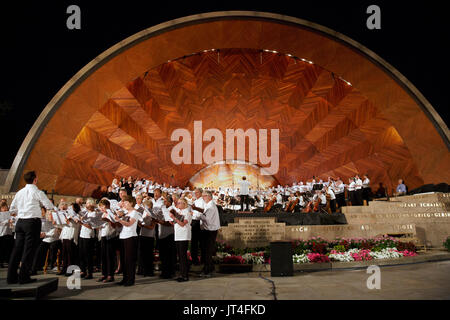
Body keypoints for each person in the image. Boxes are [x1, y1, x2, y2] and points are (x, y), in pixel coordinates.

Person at [7, 171, 57, 284]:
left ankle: (11, 277)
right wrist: (54, 209)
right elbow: (48, 205)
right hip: (32, 222)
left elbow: (12, 208)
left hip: (20, 222)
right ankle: (23, 277)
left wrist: (19, 212)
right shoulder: (37, 191)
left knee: (17, 249)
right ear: (35, 179)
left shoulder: (20, 192)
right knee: (29, 249)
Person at [114, 195, 139, 286]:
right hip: (123, 236)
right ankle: (124, 278)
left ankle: (130, 279)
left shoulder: (134, 213)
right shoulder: (126, 213)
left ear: (131, 203)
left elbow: (129, 224)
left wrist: (119, 220)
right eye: (123, 202)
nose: (124, 203)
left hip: (131, 237)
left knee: (129, 259)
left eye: (126, 202)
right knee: (124, 259)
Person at [198, 191, 220, 277]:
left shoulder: (211, 206)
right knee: (205, 250)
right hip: (207, 230)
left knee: (208, 251)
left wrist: (198, 215)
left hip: (210, 230)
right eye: (202, 196)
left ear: (209, 197)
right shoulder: (207, 205)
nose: (203, 197)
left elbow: (207, 218)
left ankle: (208, 270)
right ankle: (209, 267)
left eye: (204, 196)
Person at [169, 198, 192, 282]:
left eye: (179, 203)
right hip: (178, 235)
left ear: (184, 204)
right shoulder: (180, 212)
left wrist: (174, 218)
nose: (178, 205)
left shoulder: (187, 213)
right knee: (180, 256)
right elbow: (176, 223)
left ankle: (185, 275)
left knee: (182, 256)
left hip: (183, 235)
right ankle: (181, 274)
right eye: (177, 203)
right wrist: (170, 220)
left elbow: (182, 224)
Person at [97, 199, 117, 283]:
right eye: (100, 206)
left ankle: (110, 275)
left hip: (110, 236)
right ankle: (104, 274)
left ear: (108, 206)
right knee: (103, 256)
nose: (101, 208)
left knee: (109, 256)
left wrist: (107, 220)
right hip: (103, 235)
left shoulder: (111, 213)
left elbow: (115, 224)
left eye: (103, 206)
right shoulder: (101, 214)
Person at [190, 188, 205, 265]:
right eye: (194, 193)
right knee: (194, 242)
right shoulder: (195, 201)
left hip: (199, 222)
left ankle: (202, 261)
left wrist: (193, 214)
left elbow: (202, 212)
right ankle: (194, 259)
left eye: (197, 192)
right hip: (194, 222)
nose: (195, 194)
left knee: (200, 242)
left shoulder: (202, 201)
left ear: (201, 193)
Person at [0, 202, 14, 269]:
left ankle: (8, 261)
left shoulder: (9, 214)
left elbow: (13, 220)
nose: (5, 209)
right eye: (3, 208)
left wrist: (12, 220)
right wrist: (7, 221)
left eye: (6, 208)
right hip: (1, 233)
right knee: (1, 249)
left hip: (8, 233)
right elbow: (1, 223)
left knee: (8, 248)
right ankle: (1, 262)